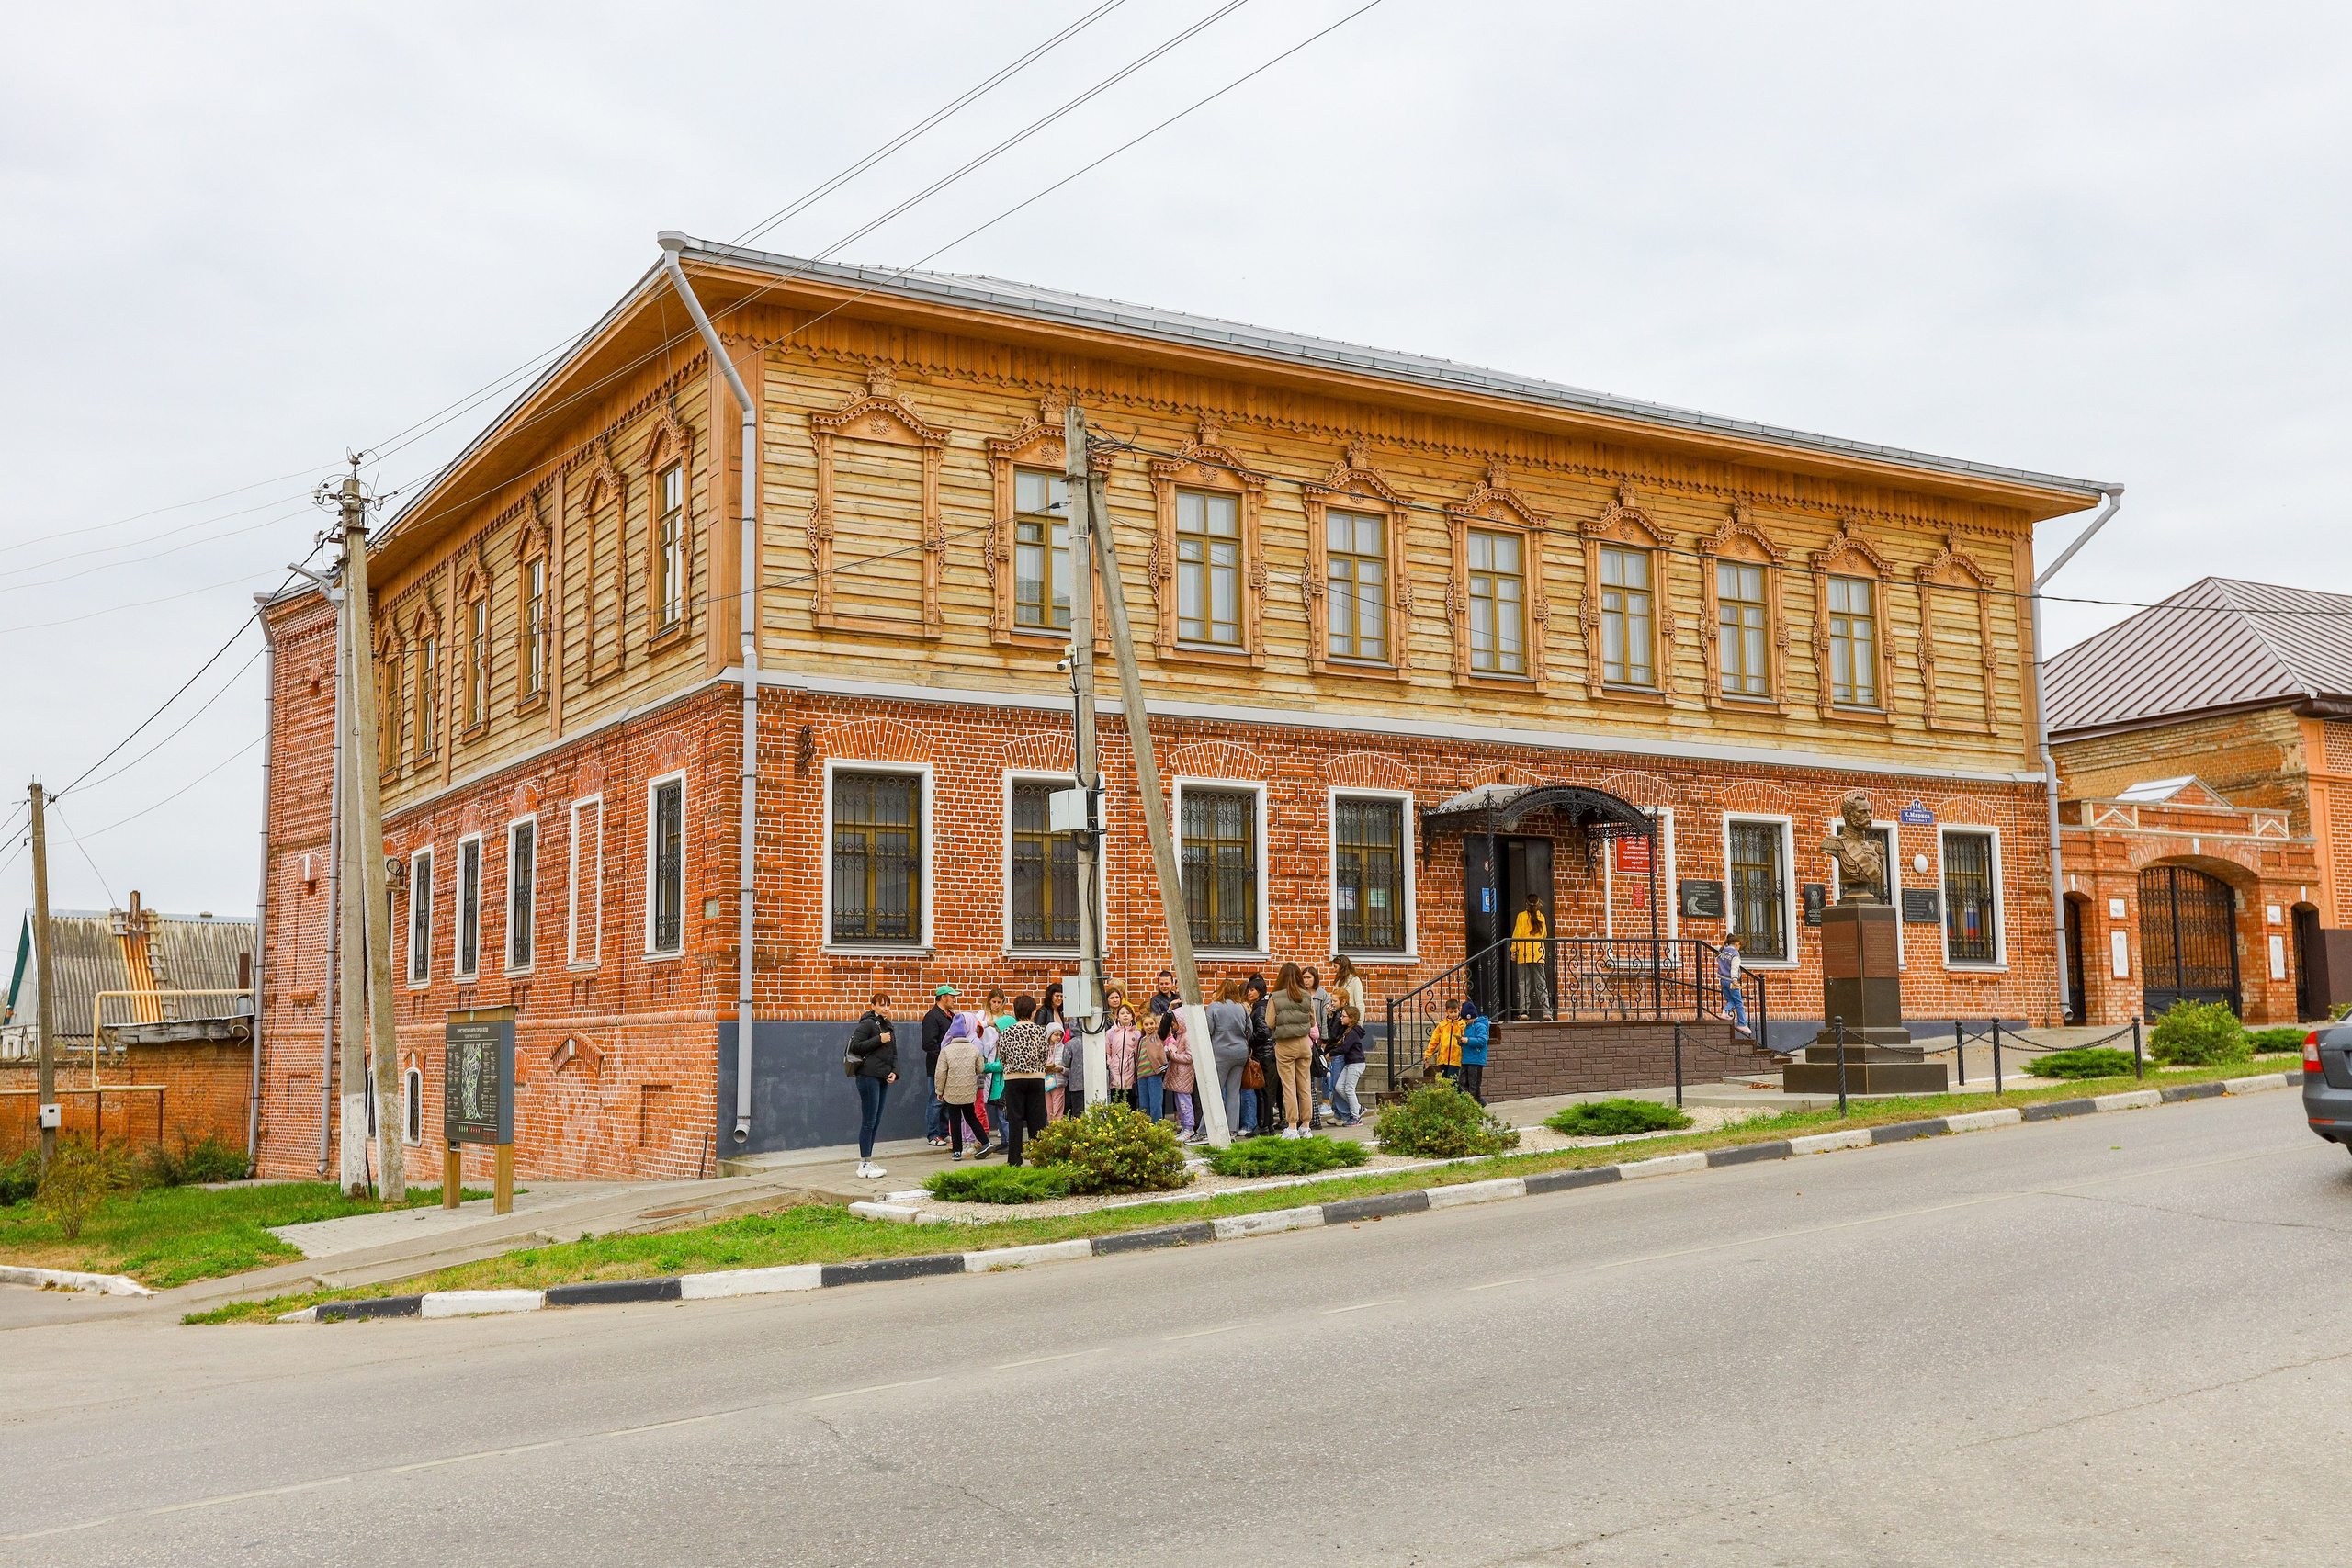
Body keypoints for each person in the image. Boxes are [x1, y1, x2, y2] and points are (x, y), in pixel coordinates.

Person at [995, 995, 1053, 1167]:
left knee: (1015, 1120)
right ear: (1033, 1011)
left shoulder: (1007, 1032)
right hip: (1036, 1078)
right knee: (1037, 1120)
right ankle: (1039, 1158)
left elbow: (1002, 1056)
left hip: (1013, 1079)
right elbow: (1045, 1055)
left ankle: (1014, 1160)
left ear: (1015, 1011)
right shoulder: (1040, 1031)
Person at [846, 991, 899, 1179]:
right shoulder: (867, 1023)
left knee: (875, 1120)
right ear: (873, 1006)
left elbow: (894, 1053)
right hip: (868, 1076)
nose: (885, 1008)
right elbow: (855, 1047)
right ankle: (864, 1164)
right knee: (869, 1120)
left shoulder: (888, 1026)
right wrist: (879, 1039)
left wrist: (895, 1071)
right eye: (881, 1004)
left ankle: (868, 1160)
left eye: (888, 1004)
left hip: (883, 1076)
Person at [1268, 963, 1317, 1138]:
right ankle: (1306, 1126)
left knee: (1289, 1087)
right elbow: (1312, 1021)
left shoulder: (1275, 997)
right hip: (1304, 1044)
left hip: (1285, 1045)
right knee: (1305, 1086)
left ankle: (1292, 1127)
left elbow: (1270, 1022)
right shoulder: (1306, 996)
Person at [933, 1013, 990, 1159]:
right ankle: (985, 1142)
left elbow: (940, 1073)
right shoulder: (974, 1048)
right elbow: (980, 1069)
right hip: (969, 1091)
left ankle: (957, 1151)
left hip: (952, 1092)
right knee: (971, 1117)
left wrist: (939, 1090)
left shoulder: (946, 1050)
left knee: (955, 1119)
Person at [1204, 978, 1255, 1139]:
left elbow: (1208, 1030)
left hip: (1221, 1053)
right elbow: (1250, 1030)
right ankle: (1232, 1131)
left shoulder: (1214, 1007)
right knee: (1234, 1093)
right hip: (1240, 1053)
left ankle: (1206, 1129)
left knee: (1214, 1092)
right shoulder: (1242, 1008)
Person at [921, 984, 956, 1148]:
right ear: (943, 997)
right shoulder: (932, 1017)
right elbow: (929, 1044)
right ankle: (933, 1134)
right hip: (937, 1066)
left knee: (946, 1100)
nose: (954, 999)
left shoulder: (950, 1015)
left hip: (949, 1065)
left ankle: (944, 1131)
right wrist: (943, 1059)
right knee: (936, 1100)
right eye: (952, 996)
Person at [1244, 972, 1275, 1135]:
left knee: (1263, 1092)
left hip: (1264, 1055)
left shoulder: (1260, 1008)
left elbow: (1263, 1032)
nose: (1250, 993)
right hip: (1266, 1053)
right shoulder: (1261, 1006)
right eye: (1249, 990)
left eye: (1253, 990)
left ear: (1260, 992)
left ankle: (1263, 1125)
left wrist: (1249, 1039)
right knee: (1264, 1091)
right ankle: (1267, 1125)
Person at [1159, 1006, 1198, 1139]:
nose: (1173, 1025)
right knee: (1179, 1102)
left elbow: (1189, 1057)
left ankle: (1189, 1128)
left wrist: (1173, 1055)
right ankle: (1184, 1126)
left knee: (1184, 1102)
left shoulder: (1187, 1037)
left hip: (1184, 1074)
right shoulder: (1181, 1035)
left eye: (1175, 1022)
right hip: (1178, 1074)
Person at [1510, 896, 1551, 1020]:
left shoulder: (1521, 916)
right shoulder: (1541, 917)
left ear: (1526, 904)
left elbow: (1518, 934)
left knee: (1524, 983)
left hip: (1524, 953)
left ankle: (1524, 1012)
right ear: (1538, 904)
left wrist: (1513, 950)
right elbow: (1544, 934)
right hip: (1538, 953)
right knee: (1541, 982)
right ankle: (1546, 1012)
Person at [1329, 1005, 1368, 1125]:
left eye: (1344, 1016)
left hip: (1357, 1063)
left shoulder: (1354, 1032)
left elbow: (1345, 1048)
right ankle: (1359, 1108)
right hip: (1350, 1063)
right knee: (1339, 1087)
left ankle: (1356, 1118)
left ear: (1351, 1019)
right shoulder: (1348, 1030)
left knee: (1349, 1089)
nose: (1341, 1018)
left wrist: (1331, 1053)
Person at [1133, 1005, 1167, 1123]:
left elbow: (1165, 1026)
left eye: (1151, 1024)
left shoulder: (1158, 1036)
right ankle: (1145, 1126)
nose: (1149, 1027)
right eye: (1146, 1024)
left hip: (1154, 1073)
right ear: (1142, 1026)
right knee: (1144, 1104)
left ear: (1155, 1024)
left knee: (1155, 1102)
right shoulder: (1140, 1040)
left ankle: (1157, 1126)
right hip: (1141, 1076)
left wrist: (1168, 1011)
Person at [1105, 1002, 1142, 1110]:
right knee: (1116, 1101)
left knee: (1130, 1102)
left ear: (1132, 1017)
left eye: (1128, 1013)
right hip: (1115, 1070)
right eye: (1122, 1013)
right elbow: (1108, 1051)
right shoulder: (1110, 1033)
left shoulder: (1137, 1034)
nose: (1125, 1015)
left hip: (1130, 1070)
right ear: (1117, 1016)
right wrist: (1110, 1063)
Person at [1457, 999, 1490, 1104]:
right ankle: (1467, 1102)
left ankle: (1477, 1102)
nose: (1465, 1022)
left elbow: (1482, 1041)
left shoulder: (1480, 1026)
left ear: (1470, 1017)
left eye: (1466, 1020)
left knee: (1474, 1084)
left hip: (1476, 1059)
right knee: (1462, 1081)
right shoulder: (1467, 1027)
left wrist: (1468, 1041)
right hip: (1466, 1058)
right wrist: (1461, 1041)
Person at [1423, 1006, 1464, 1087]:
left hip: (1456, 1058)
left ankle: (1463, 1096)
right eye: (1451, 1012)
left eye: (1455, 1012)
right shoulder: (1442, 1025)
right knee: (1444, 1082)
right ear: (1447, 1012)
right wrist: (1428, 1054)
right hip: (1443, 1058)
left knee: (1452, 1081)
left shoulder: (1462, 1025)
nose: (1453, 1014)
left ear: (1459, 1010)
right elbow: (1434, 1040)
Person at [1719, 936, 1751, 1037]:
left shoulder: (1724, 950)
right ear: (1737, 944)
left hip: (1723, 979)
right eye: (1739, 945)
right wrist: (1735, 979)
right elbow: (1734, 967)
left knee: (1731, 1000)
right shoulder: (1735, 954)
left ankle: (1725, 1011)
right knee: (1738, 1002)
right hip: (1731, 981)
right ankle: (1742, 1023)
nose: (1739, 948)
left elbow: (1716, 948)